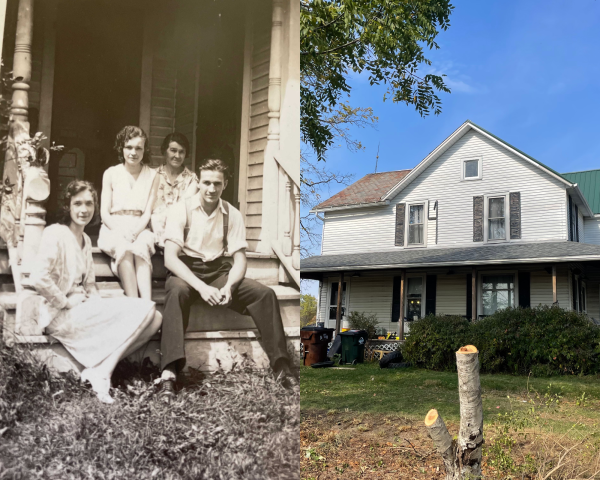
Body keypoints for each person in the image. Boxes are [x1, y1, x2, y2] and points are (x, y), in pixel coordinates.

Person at [159, 158, 296, 396]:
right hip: (186, 270)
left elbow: (240, 260)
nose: (211, 189)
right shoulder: (181, 209)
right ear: (198, 183)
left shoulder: (232, 214)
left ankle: (282, 366)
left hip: (217, 272)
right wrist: (202, 288)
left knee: (265, 294)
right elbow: (170, 258)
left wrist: (230, 287)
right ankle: (169, 372)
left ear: (225, 184)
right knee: (177, 291)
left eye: (217, 184)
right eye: (206, 183)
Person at [24, 180, 162, 404]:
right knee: (148, 310)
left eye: (89, 204)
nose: (84, 209)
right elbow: (39, 277)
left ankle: (100, 369)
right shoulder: (55, 233)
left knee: (155, 318)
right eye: (77, 203)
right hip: (59, 314)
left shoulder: (86, 239)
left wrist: (99, 306)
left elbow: (89, 285)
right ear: (67, 206)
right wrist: (65, 302)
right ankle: (103, 374)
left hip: (83, 308)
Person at [98, 126, 159, 299]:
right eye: (129, 147)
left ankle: (147, 303)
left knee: (141, 246)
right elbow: (104, 213)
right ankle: (134, 302)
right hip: (114, 226)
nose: (133, 152)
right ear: (121, 148)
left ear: (144, 150)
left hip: (140, 226)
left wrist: (136, 231)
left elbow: (147, 212)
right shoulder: (111, 173)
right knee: (124, 248)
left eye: (138, 148)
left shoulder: (153, 175)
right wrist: (121, 231)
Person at [151, 132, 198, 247]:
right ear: (164, 151)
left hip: (180, 235)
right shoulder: (152, 176)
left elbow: (184, 210)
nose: (177, 155)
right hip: (153, 234)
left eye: (181, 152)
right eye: (173, 150)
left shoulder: (192, 179)